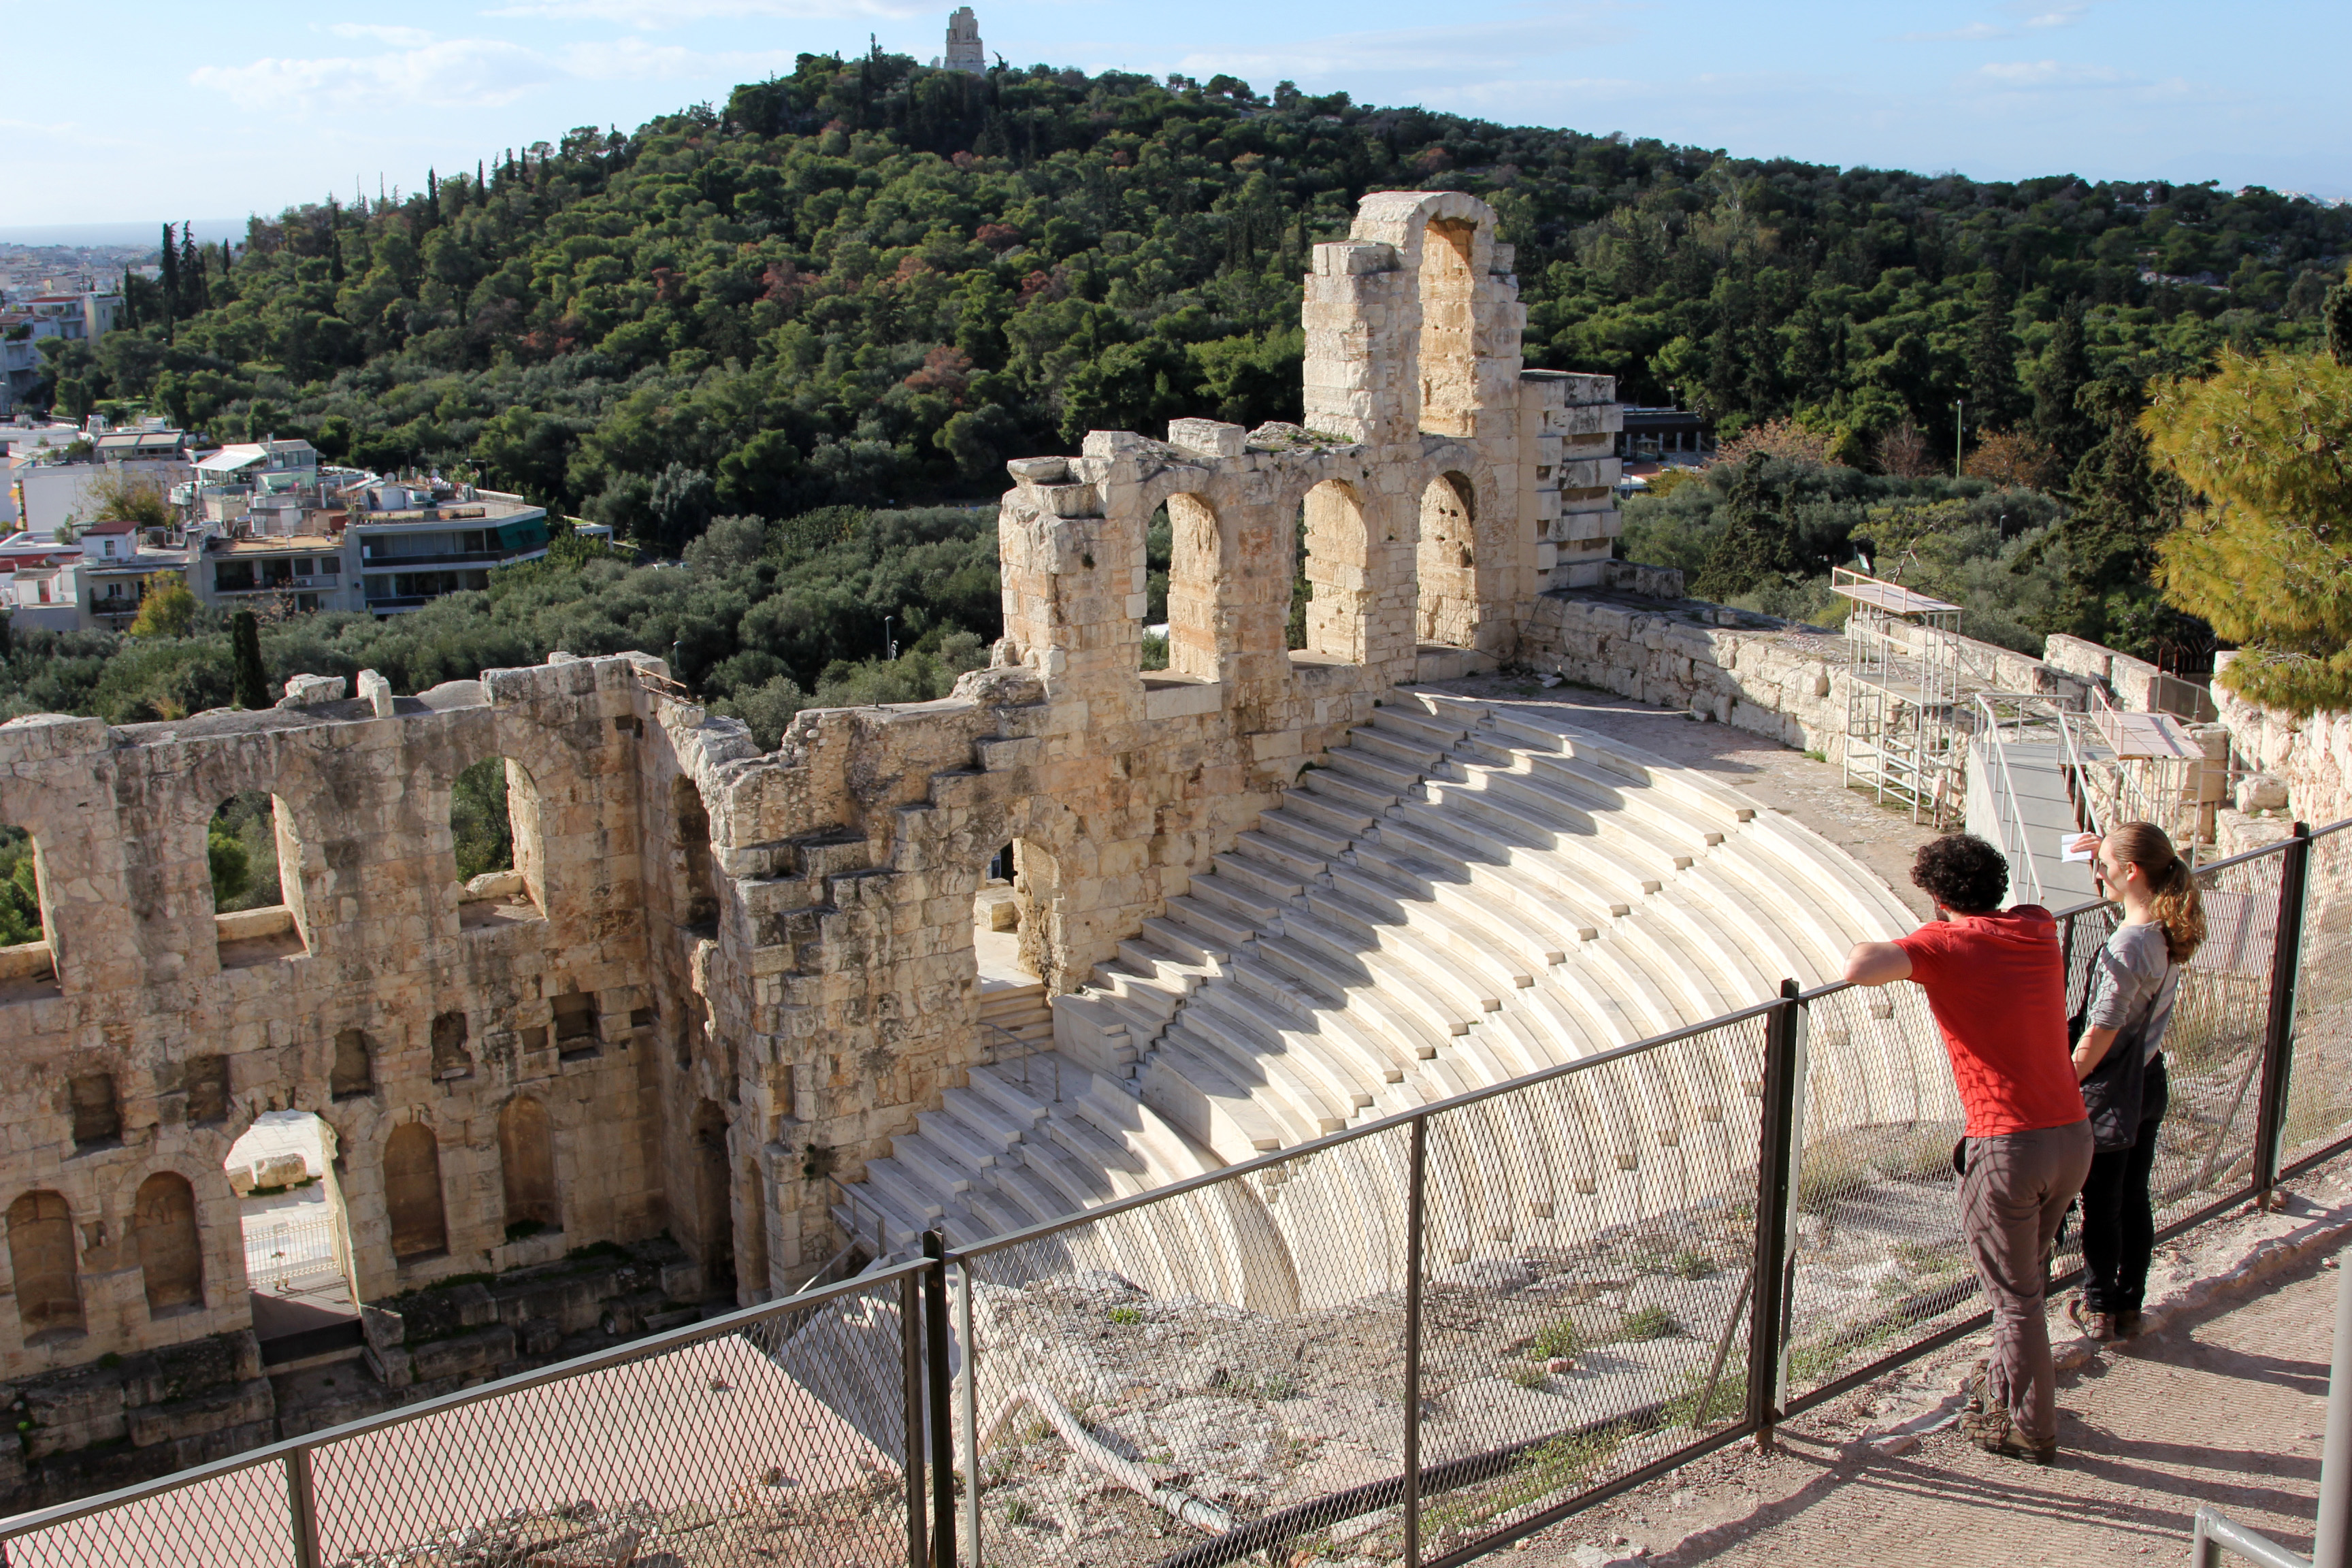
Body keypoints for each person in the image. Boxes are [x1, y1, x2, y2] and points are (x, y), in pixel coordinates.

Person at [1843, 833, 2091, 1465]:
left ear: (1934, 896)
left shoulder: (1945, 946)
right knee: (2027, 1281)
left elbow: (1860, 968)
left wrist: (1928, 933)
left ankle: (2032, 1429)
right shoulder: (2035, 928)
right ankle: (2005, 1394)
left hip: (2007, 1144)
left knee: (2016, 1301)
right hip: (2071, 1134)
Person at [2065, 821, 2205, 1342]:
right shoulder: (2164, 930)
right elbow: (2131, 918)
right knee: (2134, 1197)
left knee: (2101, 1202)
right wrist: (2099, 854)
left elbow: (2103, 1025)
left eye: (2103, 867)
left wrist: (2067, 1076)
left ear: (2131, 871)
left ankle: (2099, 1305)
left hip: (2110, 1090)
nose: (2097, 874)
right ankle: (2129, 1304)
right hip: (2148, 1079)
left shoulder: (2127, 946)